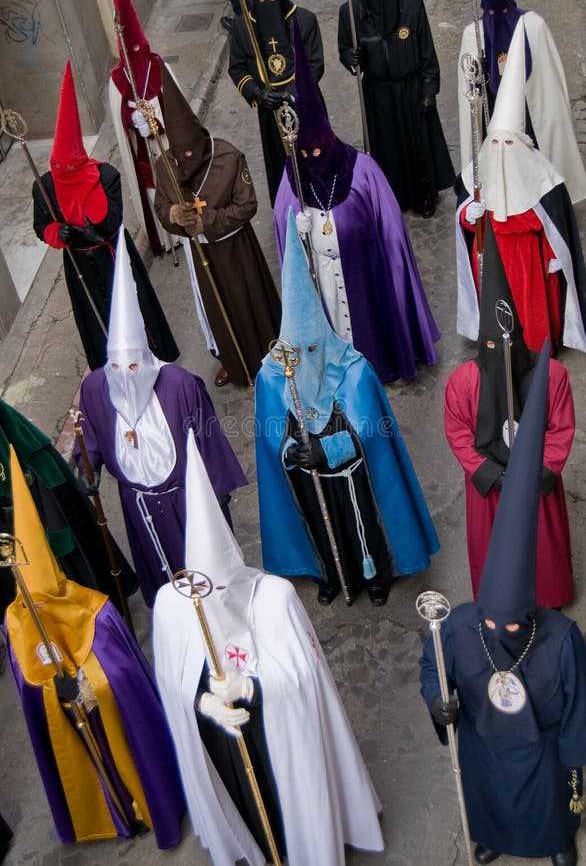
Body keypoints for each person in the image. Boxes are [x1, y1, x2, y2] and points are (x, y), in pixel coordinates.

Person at [153, 426, 385, 865]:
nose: (214, 602)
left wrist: (250, 689)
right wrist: (202, 705)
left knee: (285, 811)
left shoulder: (275, 599)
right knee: (246, 810)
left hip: (278, 738)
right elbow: (171, 680)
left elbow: (304, 679)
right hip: (220, 742)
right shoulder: (171, 605)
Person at [421, 340, 586, 866]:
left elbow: (580, 707)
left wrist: (577, 763)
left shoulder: (561, 640)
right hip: (484, 746)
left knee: (548, 800)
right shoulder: (459, 627)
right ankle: (491, 832)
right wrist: (436, 701)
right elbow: (433, 666)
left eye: (506, 621)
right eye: (488, 617)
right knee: (487, 792)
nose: (493, 625)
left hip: (542, 749)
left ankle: (557, 837)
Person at [4, 446, 185, 848]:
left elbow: (118, 676)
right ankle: (112, 809)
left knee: (119, 735)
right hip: (72, 720)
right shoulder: (17, 621)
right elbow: (29, 683)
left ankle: (144, 800)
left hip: (109, 716)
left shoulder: (96, 611)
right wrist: (53, 689)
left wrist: (83, 683)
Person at [256, 210, 439, 606]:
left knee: (364, 525)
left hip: (356, 477)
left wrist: (330, 448)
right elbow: (270, 434)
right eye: (295, 352)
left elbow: (372, 431)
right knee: (323, 528)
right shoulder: (273, 377)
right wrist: (291, 451)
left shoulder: (353, 370)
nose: (303, 362)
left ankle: (377, 575)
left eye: (311, 351)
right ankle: (327, 573)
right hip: (309, 477)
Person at [75, 226, 247, 608]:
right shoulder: (95, 389)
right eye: (117, 366)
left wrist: (218, 496)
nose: (125, 375)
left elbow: (209, 440)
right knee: (166, 586)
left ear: (147, 357)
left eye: (133, 365)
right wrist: (87, 468)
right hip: (138, 506)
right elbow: (88, 435)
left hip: (187, 500)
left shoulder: (181, 385)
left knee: (207, 578)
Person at [275, 20, 440, 384]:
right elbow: (283, 241)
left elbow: (393, 231)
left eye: (318, 148)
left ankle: (384, 360)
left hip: (364, 272)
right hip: (322, 277)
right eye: (306, 151)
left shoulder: (361, 169)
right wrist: (296, 230)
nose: (313, 155)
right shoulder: (293, 177)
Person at [445, 220, 574, 609]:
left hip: (536, 484)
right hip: (490, 490)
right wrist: (495, 476)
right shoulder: (462, 384)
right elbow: (460, 436)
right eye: (490, 345)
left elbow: (560, 431)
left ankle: (548, 598)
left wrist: (532, 477)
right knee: (495, 556)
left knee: (540, 552)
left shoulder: (552, 375)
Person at [32, 61, 179, 371]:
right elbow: (40, 225)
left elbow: (109, 221)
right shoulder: (43, 187)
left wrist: (84, 188)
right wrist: (58, 232)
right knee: (98, 323)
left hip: (113, 256)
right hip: (79, 264)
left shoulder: (106, 176)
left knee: (132, 310)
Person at [456, 25, 586, 355]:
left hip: (530, 265)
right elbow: (466, 222)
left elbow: (558, 229)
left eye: (507, 142)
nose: (500, 149)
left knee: (530, 321)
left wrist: (556, 257)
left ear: (522, 143)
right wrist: (468, 214)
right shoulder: (478, 171)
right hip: (492, 260)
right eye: (494, 142)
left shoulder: (544, 177)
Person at [154, 62, 281, 388]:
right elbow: (161, 205)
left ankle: (269, 355)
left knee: (248, 299)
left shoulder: (228, 156)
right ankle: (234, 360)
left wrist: (205, 220)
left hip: (235, 248)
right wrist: (173, 217)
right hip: (200, 253)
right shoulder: (165, 165)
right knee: (217, 307)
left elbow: (248, 205)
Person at [0, 398, 137, 621]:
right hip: (14, 508)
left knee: (71, 563)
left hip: (32, 494)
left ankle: (98, 620)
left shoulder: (29, 457)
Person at [458, 0, 586, 204]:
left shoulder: (533, 26)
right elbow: (468, 89)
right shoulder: (473, 34)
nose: (499, 17)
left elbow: (550, 85)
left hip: (529, 111)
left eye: (503, 11)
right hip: (493, 112)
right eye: (494, 12)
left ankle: (545, 203)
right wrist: (478, 76)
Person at [338, 0, 454, 217]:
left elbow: (427, 49)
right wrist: (352, 57)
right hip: (378, 93)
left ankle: (425, 196)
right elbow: (344, 50)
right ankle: (395, 196)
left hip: (411, 88)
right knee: (388, 148)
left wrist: (429, 89)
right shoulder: (351, 12)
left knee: (418, 145)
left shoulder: (412, 4)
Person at [228, 0, 324, 206]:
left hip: (305, 106)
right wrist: (259, 94)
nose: (267, 3)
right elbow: (237, 69)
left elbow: (315, 64)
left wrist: (295, 93)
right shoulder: (243, 28)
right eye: (261, 0)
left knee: (316, 157)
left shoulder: (303, 19)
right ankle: (289, 208)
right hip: (270, 111)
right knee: (281, 164)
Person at [109, 0, 178, 257]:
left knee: (175, 185)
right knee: (153, 190)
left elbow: (177, 109)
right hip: (143, 151)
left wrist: (157, 121)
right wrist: (132, 120)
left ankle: (181, 235)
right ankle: (164, 238)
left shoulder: (159, 67)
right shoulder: (117, 83)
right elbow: (119, 123)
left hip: (168, 145)